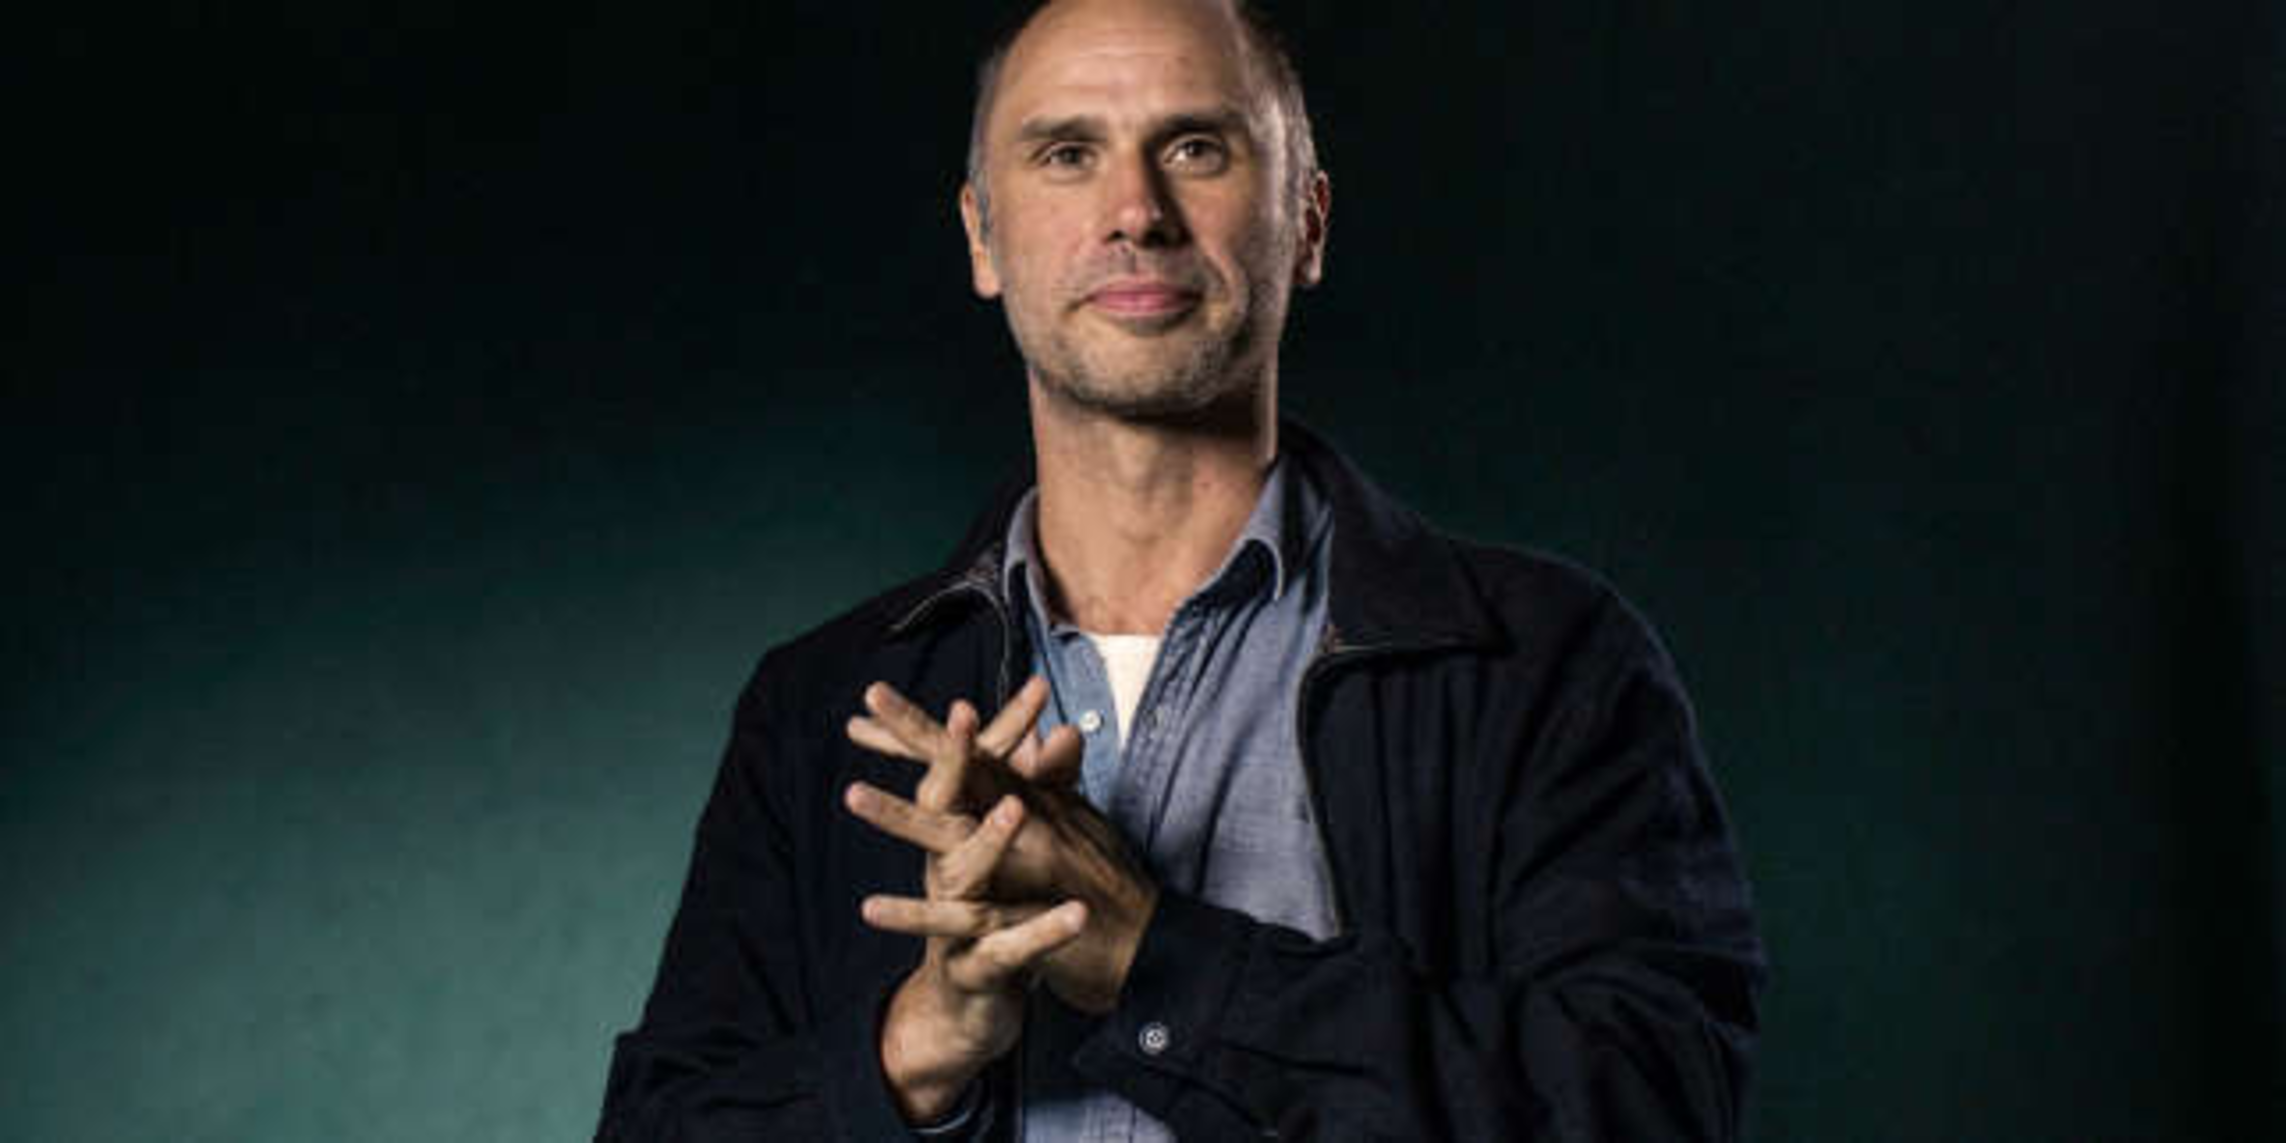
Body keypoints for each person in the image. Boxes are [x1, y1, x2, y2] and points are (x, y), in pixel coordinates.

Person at [595, 0, 1766, 1138]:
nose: (1136, 213)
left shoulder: (1544, 663)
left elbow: (1651, 1103)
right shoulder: (819, 707)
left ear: (1306, 222)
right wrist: (917, 1047)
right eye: (1067, 153)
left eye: (1197, 147)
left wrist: (1159, 964)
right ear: (982, 238)